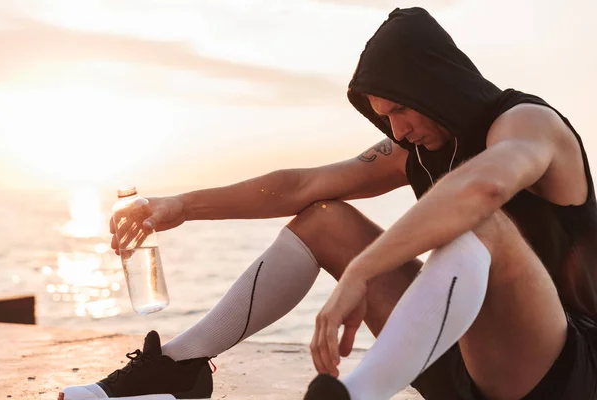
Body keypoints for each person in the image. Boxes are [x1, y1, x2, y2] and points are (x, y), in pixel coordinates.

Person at [60, 7, 597, 400]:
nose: (397, 128)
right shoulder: (421, 143)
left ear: (436, 84)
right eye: (385, 117)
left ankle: (355, 395)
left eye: (402, 110)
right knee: (324, 219)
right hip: (454, 358)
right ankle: (178, 367)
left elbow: (484, 189)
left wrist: (363, 271)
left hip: (557, 371)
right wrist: (181, 205)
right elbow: (302, 186)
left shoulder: (528, 124)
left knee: (479, 221)